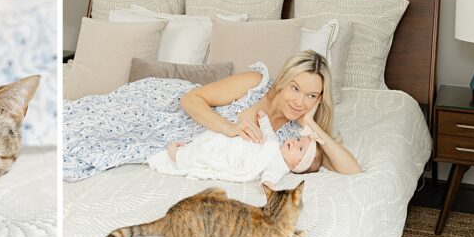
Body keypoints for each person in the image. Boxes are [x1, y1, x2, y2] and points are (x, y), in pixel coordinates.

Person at [180, 50, 361, 174]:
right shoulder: (255, 85)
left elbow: (353, 170)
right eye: (295, 88)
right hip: (169, 113)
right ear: (283, 81)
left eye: (311, 95)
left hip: (185, 151)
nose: (299, 102)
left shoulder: (298, 138)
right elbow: (189, 99)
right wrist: (229, 128)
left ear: (319, 99)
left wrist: (310, 123)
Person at [152, 111, 323, 183]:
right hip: (238, 145)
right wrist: (263, 120)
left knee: (211, 157)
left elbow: (269, 177)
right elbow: (268, 132)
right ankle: (189, 148)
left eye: (300, 149)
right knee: (216, 140)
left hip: (237, 159)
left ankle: (179, 156)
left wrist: (268, 186)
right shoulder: (276, 144)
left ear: (295, 166)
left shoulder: (279, 167)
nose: (294, 142)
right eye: (298, 140)